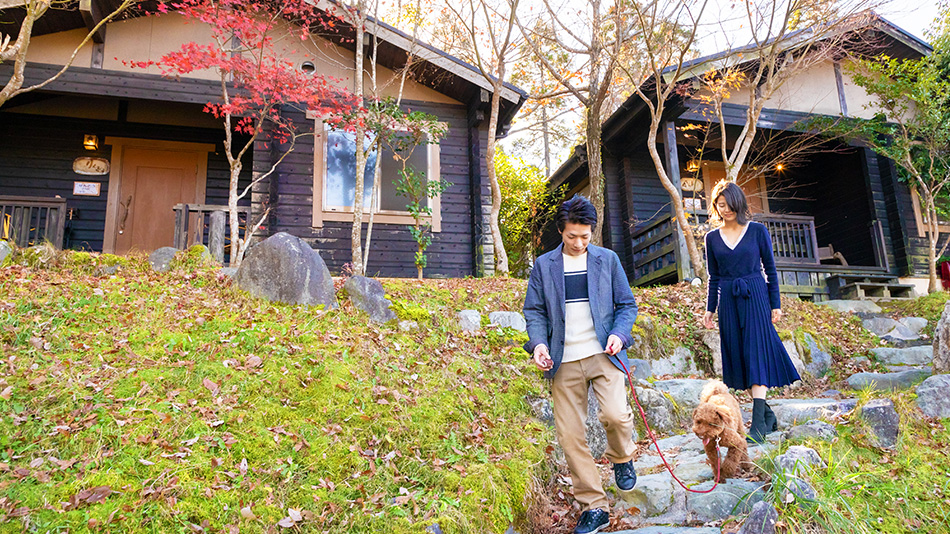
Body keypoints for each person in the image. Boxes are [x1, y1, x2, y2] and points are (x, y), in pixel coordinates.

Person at [523, 195, 639, 534]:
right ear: (561, 231)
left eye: (585, 236)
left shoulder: (608, 260)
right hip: (563, 361)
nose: (578, 243)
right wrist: (539, 344)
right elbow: (534, 311)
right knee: (570, 436)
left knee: (616, 415)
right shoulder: (544, 265)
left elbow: (627, 305)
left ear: (592, 232)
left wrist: (619, 334)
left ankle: (622, 457)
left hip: (604, 353)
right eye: (572, 236)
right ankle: (594, 506)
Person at [701, 180, 801, 443]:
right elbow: (714, 277)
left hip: (756, 294)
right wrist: (710, 309)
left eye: (729, 205)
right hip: (729, 300)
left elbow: (770, 269)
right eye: (720, 205)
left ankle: (757, 425)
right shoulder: (712, 238)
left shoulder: (757, 231)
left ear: (739, 203)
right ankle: (767, 415)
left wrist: (775, 303)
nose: (725, 210)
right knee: (739, 356)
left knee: (756, 353)